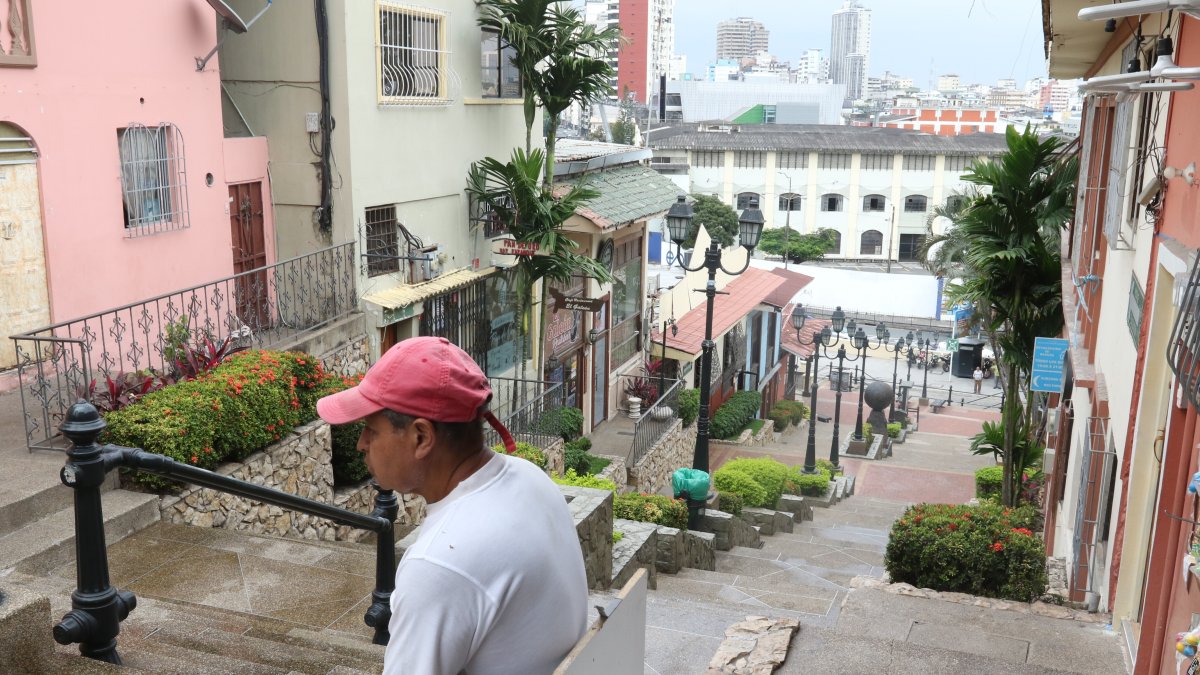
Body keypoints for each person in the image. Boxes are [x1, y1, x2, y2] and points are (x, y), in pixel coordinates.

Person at [317, 336, 588, 674]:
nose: (361, 444)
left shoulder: (439, 566)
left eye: (371, 430)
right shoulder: (532, 479)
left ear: (421, 438)